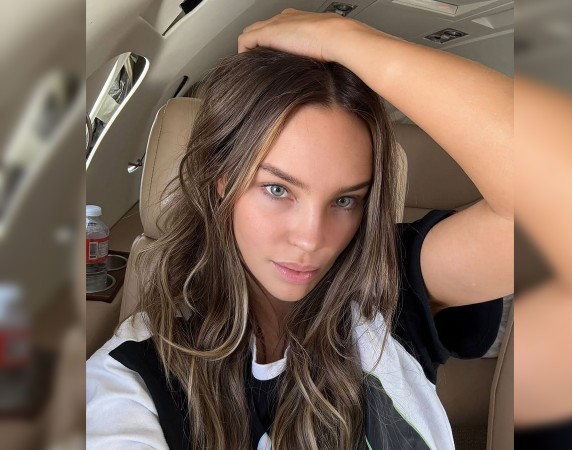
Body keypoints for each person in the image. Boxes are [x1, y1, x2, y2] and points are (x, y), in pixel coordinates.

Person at [86, 9, 513, 450]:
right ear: (222, 179)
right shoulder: (138, 375)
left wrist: (346, 38)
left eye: (344, 200)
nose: (311, 240)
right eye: (277, 189)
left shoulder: (389, 284)